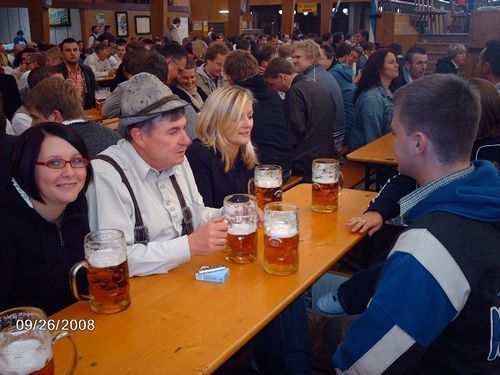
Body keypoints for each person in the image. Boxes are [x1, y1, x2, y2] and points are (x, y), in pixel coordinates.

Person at [327, 73, 500, 374]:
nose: (392, 143)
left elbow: (363, 365)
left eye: (395, 133)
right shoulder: (486, 200)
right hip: (479, 352)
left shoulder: (429, 248)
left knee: (334, 331)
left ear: (418, 143)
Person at [86, 72, 228, 277]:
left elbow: (195, 214)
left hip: (181, 280)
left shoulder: (176, 159)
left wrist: (228, 215)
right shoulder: (106, 175)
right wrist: (188, 246)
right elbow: (115, 260)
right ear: (140, 136)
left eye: (183, 129)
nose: (186, 140)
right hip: (138, 297)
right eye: (173, 131)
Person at [0, 122, 93, 316]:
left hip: (80, 323)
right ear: (26, 166)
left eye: (77, 161)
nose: (69, 172)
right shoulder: (6, 221)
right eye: (54, 163)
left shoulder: (75, 201)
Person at [264, 57, 336, 180]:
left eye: (272, 84)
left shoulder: (295, 92)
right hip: (326, 153)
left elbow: (295, 131)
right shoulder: (313, 84)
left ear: (281, 77)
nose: (273, 89)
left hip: (306, 163)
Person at [224, 50, 292, 177]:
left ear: (230, 78)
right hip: (286, 166)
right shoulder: (273, 94)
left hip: (262, 174)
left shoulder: (238, 102)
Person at [186, 86, 256, 208]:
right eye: (237, 117)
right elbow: (204, 215)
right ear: (215, 120)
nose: (248, 124)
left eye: (249, 116)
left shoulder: (244, 151)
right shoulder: (198, 155)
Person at [24, 77, 120, 158]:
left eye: (35, 117)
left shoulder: (52, 152)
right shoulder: (113, 136)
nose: (32, 125)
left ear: (55, 117)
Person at [292, 39, 345, 150]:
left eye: (298, 57)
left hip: (332, 137)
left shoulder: (311, 80)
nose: (294, 60)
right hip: (336, 133)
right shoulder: (321, 72)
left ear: (311, 59)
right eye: (293, 57)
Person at [349, 48, 399, 151]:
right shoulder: (372, 98)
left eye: (396, 61)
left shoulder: (389, 90)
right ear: (379, 68)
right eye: (391, 62)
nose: (397, 65)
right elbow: (372, 140)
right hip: (368, 158)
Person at [328, 44, 356, 147]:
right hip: (351, 117)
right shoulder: (346, 71)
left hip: (342, 121)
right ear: (347, 56)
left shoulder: (332, 74)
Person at [59, 38, 97, 109]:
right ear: (62, 54)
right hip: (66, 115)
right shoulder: (57, 72)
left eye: (75, 50)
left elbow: (92, 94)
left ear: (79, 52)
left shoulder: (87, 70)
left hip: (87, 113)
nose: (73, 53)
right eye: (68, 50)